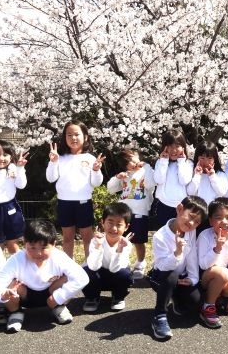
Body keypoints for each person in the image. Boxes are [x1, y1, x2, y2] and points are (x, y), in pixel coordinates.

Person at [0, 219, 89, 333]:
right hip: (24, 297)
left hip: (52, 294)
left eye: (44, 248)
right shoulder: (16, 259)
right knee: (11, 285)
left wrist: (59, 296)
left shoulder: (59, 257)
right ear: (24, 243)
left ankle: (58, 307)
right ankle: (15, 312)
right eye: (32, 247)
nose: (38, 253)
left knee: (67, 278)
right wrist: (3, 294)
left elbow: (82, 278)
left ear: (54, 244)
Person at [148, 196, 208, 340]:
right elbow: (162, 266)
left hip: (180, 277)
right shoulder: (160, 236)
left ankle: (175, 298)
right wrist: (177, 253)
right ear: (179, 209)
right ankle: (159, 315)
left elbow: (192, 254)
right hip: (161, 277)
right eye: (191, 216)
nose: (192, 223)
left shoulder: (190, 231)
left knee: (195, 300)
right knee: (171, 275)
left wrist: (192, 278)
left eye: (197, 221)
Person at [46, 120, 105, 258]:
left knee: (87, 238)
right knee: (67, 238)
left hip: (84, 202)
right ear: (64, 138)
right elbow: (50, 178)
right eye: (69, 135)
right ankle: (68, 266)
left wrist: (96, 170)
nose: (73, 138)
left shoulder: (90, 158)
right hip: (64, 203)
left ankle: (89, 265)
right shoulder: (60, 158)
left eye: (77, 134)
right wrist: (53, 162)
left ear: (85, 137)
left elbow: (96, 183)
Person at [107, 149, 155, 280]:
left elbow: (152, 184)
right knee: (121, 240)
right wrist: (117, 178)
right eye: (127, 163)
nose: (132, 164)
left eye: (133, 160)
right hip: (123, 213)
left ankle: (140, 264)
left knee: (139, 241)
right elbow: (110, 189)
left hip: (140, 211)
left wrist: (146, 167)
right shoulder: (125, 175)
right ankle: (122, 263)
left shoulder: (146, 171)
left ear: (138, 157)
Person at [197, 197, 228, 329]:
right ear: (211, 221)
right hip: (204, 277)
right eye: (218, 217)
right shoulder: (205, 235)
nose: (224, 221)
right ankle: (208, 306)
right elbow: (203, 265)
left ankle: (216, 295)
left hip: (222, 276)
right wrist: (217, 248)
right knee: (222, 272)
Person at [82, 202, 134, 312]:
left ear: (126, 227)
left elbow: (115, 269)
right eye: (110, 223)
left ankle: (118, 297)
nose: (114, 228)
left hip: (115, 275)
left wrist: (119, 249)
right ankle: (92, 297)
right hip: (98, 275)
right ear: (102, 222)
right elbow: (93, 267)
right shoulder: (95, 241)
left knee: (125, 274)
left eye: (119, 224)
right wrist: (98, 246)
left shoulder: (126, 244)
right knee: (86, 271)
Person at [153, 129, 194, 228]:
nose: (174, 150)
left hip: (181, 206)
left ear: (183, 147)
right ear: (164, 147)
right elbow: (158, 180)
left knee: (180, 231)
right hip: (163, 204)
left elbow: (184, 181)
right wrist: (163, 161)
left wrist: (181, 161)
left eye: (177, 146)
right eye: (170, 146)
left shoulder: (188, 163)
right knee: (164, 232)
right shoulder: (160, 162)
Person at [187, 140, 228, 205]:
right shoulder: (192, 172)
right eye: (202, 158)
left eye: (210, 158)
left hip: (213, 209)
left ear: (215, 159)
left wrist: (212, 176)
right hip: (197, 208)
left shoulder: (220, 174)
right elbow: (190, 192)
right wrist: (197, 175)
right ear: (197, 158)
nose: (206, 162)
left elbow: (222, 192)